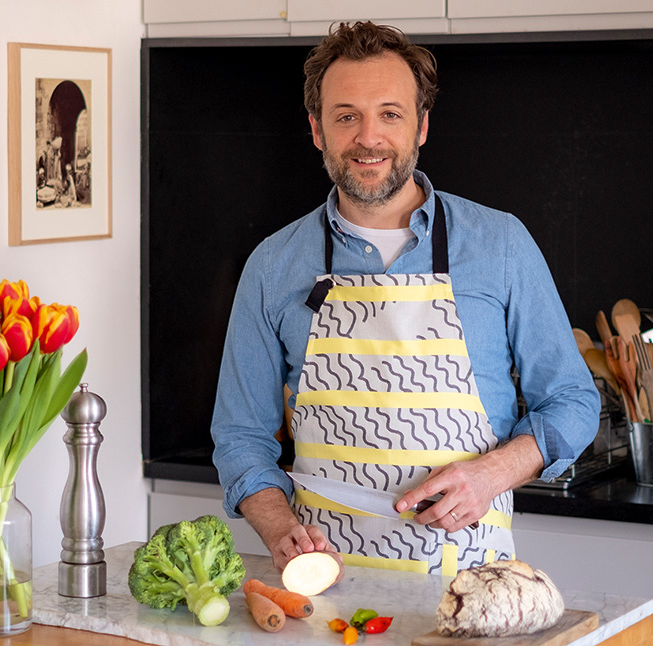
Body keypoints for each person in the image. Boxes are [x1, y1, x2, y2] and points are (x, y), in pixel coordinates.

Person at [210, 21, 600, 577]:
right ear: (318, 130)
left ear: (420, 127)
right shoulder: (273, 266)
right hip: (325, 585)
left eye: (389, 114)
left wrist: (490, 475)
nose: (369, 138)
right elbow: (240, 435)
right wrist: (279, 528)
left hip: (470, 580)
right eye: (347, 116)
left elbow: (572, 402)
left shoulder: (500, 245)